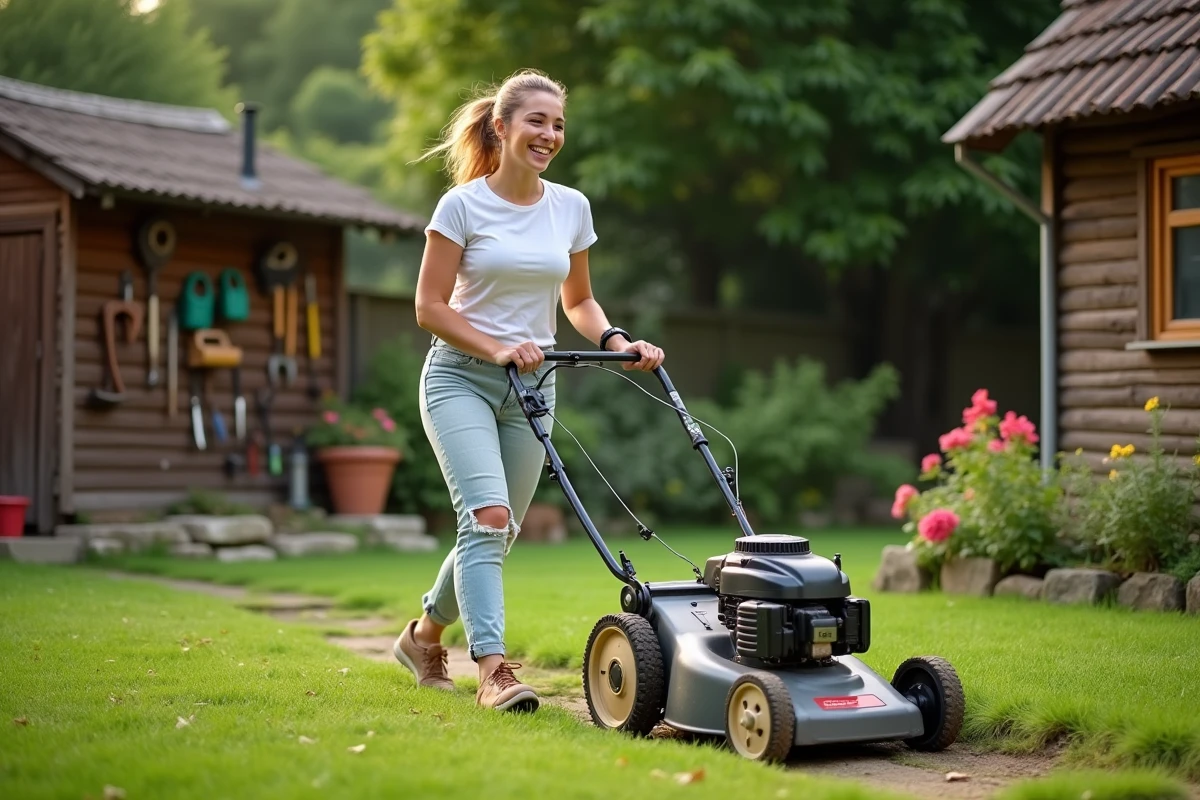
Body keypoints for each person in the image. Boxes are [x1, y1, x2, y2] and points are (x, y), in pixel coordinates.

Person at [393, 69, 665, 712]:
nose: (549, 134)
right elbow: (429, 307)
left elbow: (580, 300)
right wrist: (493, 347)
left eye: (559, 124)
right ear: (502, 126)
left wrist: (616, 342)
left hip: (533, 390)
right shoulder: (460, 206)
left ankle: (423, 636)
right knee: (486, 518)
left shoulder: (571, 207)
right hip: (460, 377)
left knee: (497, 530)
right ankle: (493, 670)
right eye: (537, 121)